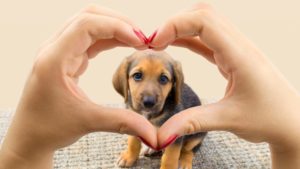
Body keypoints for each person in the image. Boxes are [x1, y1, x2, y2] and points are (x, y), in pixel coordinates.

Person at [0, 3, 299, 169]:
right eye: (139, 76)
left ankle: (189, 155)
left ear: (176, 84)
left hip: (186, 139)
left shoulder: (175, 105)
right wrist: (132, 149)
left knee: (188, 140)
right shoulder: (131, 99)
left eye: (164, 80)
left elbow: (180, 133)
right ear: (125, 80)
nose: (148, 94)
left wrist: (177, 156)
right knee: (135, 132)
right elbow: (132, 123)